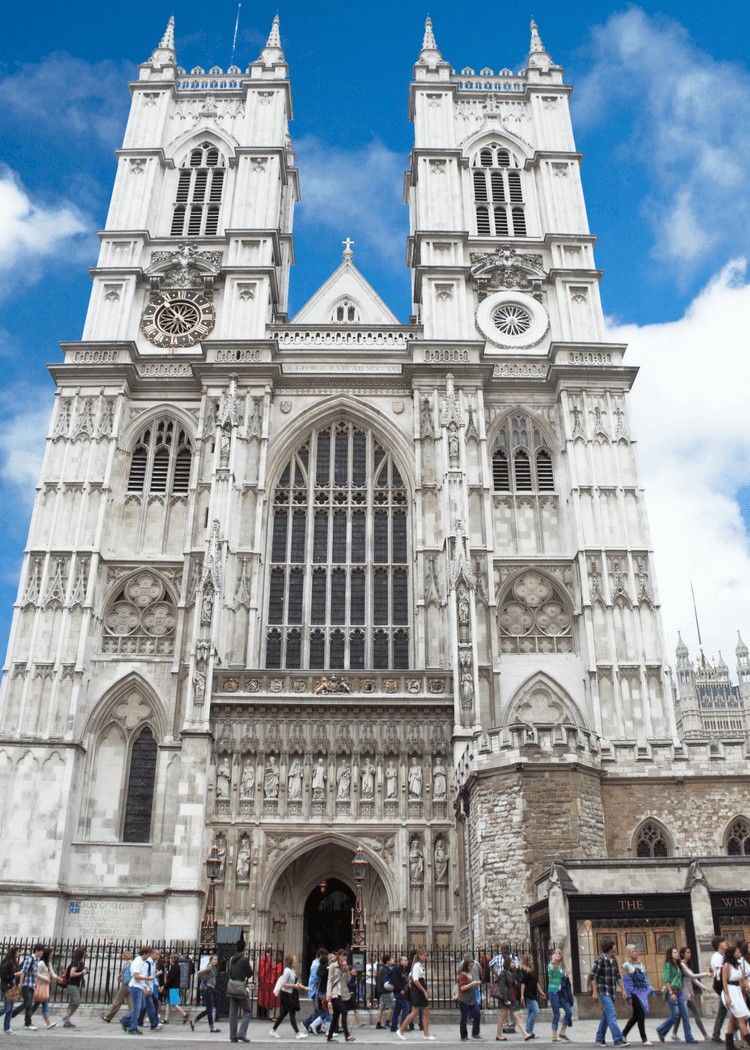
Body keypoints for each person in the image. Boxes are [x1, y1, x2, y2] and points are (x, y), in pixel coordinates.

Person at [590, 937, 626, 1047]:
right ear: (609, 948)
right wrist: (595, 992)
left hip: (612, 991)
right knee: (611, 1013)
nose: (615, 947)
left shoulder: (614, 960)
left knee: (606, 1015)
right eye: (614, 945)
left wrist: (624, 989)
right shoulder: (600, 960)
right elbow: (593, 976)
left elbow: (618, 976)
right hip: (603, 991)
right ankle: (618, 1039)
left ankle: (600, 1037)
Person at [656, 947, 696, 1045]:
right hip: (673, 992)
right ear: (670, 954)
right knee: (675, 1014)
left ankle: (689, 1038)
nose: (677, 953)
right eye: (674, 952)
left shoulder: (679, 966)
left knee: (685, 1015)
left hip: (680, 992)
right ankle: (661, 1029)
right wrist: (671, 993)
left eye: (677, 952)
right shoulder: (668, 965)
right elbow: (667, 980)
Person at [670, 947, 709, 1040]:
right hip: (683, 994)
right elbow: (692, 976)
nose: (690, 954)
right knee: (694, 1013)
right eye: (687, 953)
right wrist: (705, 974)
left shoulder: (686, 965)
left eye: (690, 952)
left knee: (680, 1014)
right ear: (683, 954)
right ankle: (705, 1035)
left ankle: (674, 1034)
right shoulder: (682, 966)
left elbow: (693, 980)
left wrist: (704, 987)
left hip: (688, 993)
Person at [397, 947, 435, 1040]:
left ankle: (426, 1034)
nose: (426, 957)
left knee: (425, 1011)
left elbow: (411, 976)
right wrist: (424, 991)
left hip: (419, 989)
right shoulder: (416, 966)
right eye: (425, 955)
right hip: (417, 991)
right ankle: (401, 1030)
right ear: (420, 956)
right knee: (415, 1012)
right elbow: (416, 980)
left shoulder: (419, 965)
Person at [621, 943, 654, 1046]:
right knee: (640, 1013)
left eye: (635, 951)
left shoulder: (640, 964)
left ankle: (623, 1034)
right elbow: (627, 982)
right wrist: (629, 995)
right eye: (632, 951)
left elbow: (645, 978)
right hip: (634, 992)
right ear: (628, 953)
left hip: (642, 991)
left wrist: (649, 989)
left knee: (636, 1015)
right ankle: (644, 1038)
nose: (635, 953)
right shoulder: (626, 965)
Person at [270, 954, 309, 1038]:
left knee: (284, 1013)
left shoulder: (292, 971)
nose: (295, 961)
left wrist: (305, 988)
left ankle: (273, 1030)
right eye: (294, 960)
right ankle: (297, 1033)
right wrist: (294, 986)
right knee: (292, 1012)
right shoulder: (287, 971)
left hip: (289, 993)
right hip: (286, 994)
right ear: (290, 961)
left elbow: (296, 983)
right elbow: (283, 984)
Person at [720, 943, 750, 1050]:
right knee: (741, 1018)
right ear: (732, 954)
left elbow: (743, 980)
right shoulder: (726, 966)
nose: (739, 953)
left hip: (737, 991)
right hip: (730, 991)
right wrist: (728, 997)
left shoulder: (738, 965)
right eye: (737, 952)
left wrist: (748, 989)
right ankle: (748, 1039)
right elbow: (724, 982)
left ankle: (729, 1044)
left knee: (733, 1018)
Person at [121, 946, 154, 1035]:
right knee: (137, 1008)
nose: (149, 957)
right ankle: (133, 1027)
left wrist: (147, 985)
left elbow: (142, 974)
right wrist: (148, 978)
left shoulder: (142, 962)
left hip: (139, 986)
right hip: (135, 987)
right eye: (149, 955)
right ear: (145, 953)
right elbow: (136, 976)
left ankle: (125, 1019)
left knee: (142, 1006)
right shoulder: (137, 962)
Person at [495, 957, 529, 1042]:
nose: (514, 964)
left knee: (517, 1015)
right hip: (506, 997)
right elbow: (502, 987)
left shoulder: (513, 972)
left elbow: (520, 979)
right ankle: (498, 1035)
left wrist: (518, 970)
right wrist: (505, 999)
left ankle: (525, 1034)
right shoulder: (503, 973)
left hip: (512, 997)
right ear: (508, 964)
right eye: (512, 963)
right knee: (502, 1016)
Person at [227, 942, 254, 1044]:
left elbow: (230, 972)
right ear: (244, 948)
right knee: (247, 1011)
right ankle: (241, 1033)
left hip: (232, 987)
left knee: (233, 1012)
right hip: (241, 987)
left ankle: (233, 1036)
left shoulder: (231, 959)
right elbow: (250, 974)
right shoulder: (244, 959)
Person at [326, 948, 354, 1043]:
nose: (344, 959)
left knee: (335, 1016)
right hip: (335, 993)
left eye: (345, 957)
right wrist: (328, 994)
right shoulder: (333, 966)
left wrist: (346, 970)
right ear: (339, 956)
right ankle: (347, 1035)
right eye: (343, 956)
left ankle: (329, 1036)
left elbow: (348, 979)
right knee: (344, 1011)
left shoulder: (344, 967)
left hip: (342, 993)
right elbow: (329, 980)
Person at [190, 953, 220, 1033]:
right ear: (211, 960)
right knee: (209, 1010)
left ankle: (194, 1021)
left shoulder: (213, 968)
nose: (215, 961)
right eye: (214, 959)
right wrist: (205, 980)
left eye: (216, 959)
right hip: (207, 989)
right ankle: (211, 1027)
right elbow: (199, 973)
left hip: (211, 989)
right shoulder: (209, 967)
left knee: (208, 1010)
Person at [17, 942, 44, 1031]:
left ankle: (28, 1023)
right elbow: (23, 971)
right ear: (36, 950)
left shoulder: (36, 960)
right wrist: (20, 983)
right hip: (26, 985)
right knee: (27, 1003)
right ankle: (12, 1014)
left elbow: (34, 973)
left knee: (29, 1004)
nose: (42, 953)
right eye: (41, 951)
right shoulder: (30, 959)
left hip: (32, 985)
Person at [547, 948, 573, 1042]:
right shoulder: (551, 965)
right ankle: (554, 1036)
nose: (558, 954)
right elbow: (551, 970)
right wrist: (553, 960)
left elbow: (562, 978)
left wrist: (565, 975)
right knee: (557, 1014)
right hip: (553, 991)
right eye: (556, 953)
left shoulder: (562, 967)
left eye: (559, 953)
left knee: (569, 1012)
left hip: (561, 993)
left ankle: (562, 1032)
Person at [31, 948, 60, 1029]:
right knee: (43, 1002)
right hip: (40, 985)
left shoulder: (48, 963)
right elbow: (36, 973)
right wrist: (45, 978)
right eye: (51, 953)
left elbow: (53, 973)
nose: (52, 954)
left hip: (45, 985)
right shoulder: (41, 963)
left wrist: (59, 978)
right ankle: (48, 1022)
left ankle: (28, 1019)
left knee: (37, 1004)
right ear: (48, 954)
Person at [102, 950, 133, 1023]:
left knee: (117, 1001)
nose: (122, 956)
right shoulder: (131, 963)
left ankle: (108, 1016)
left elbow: (127, 975)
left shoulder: (128, 964)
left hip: (126, 984)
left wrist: (122, 978)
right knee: (131, 1002)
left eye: (123, 955)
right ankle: (131, 1017)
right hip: (131, 984)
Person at [303, 948, 329, 1035]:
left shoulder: (316, 963)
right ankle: (311, 1026)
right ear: (321, 955)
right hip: (315, 991)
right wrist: (318, 990)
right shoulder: (316, 965)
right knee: (318, 1010)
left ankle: (308, 1023)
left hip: (315, 990)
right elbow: (315, 980)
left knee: (318, 1009)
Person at [520, 954, 545, 1040]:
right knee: (536, 1010)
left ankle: (529, 1030)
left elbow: (536, 983)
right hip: (529, 994)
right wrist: (522, 995)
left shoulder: (532, 971)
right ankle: (528, 1030)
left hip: (533, 994)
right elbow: (523, 984)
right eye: (530, 960)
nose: (531, 962)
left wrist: (541, 992)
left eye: (531, 960)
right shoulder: (526, 971)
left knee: (531, 1012)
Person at [457, 957, 482, 1041]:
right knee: (464, 1017)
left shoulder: (470, 974)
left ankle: (475, 1032)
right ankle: (463, 1035)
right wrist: (472, 984)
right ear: (466, 966)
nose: (472, 968)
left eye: (472, 966)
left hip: (472, 998)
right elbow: (462, 988)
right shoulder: (463, 974)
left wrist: (476, 983)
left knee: (477, 1013)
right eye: (470, 966)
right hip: (464, 999)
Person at [64, 946, 89, 1028]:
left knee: (72, 1002)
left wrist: (84, 971)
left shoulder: (80, 962)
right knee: (76, 1001)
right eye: (85, 952)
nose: (86, 953)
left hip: (76, 984)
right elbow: (72, 974)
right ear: (81, 953)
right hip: (71, 984)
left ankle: (67, 1020)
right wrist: (82, 973)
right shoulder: (75, 962)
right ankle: (67, 1017)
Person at [709, 937, 728, 1044]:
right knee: (727, 1009)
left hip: (722, 986)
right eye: (722, 942)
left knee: (723, 1010)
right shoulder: (717, 957)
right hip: (721, 986)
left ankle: (716, 1034)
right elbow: (719, 972)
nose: (725, 943)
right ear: (718, 945)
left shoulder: (722, 956)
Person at [164, 952, 191, 1024]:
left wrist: (165, 985)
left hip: (173, 987)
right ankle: (166, 1019)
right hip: (172, 987)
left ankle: (184, 1014)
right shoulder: (173, 966)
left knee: (173, 1003)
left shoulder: (175, 967)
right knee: (167, 1002)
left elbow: (171, 978)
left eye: (170, 958)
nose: (169, 960)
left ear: (173, 959)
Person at [0, 946, 22, 1035]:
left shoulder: (14, 963)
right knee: (7, 1007)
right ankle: (6, 1027)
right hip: (7, 987)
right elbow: (4, 976)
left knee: (10, 1008)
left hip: (12, 987)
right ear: (14, 953)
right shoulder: (7, 963)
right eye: (18, 951)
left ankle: (7, 1027)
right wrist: (15, 974)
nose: (19, 953)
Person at [389, 956, 411, 1035]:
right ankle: (403, 1025)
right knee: (406, 1007)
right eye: (405, 960)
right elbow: (395, 980)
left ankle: (394, 1026)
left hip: (402, 992)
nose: (407, 961)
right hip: (399, 992)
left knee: (397, 1009)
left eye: (407, 960)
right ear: (401, 961)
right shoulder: (397, 969)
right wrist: (399, 989)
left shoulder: (404, 970)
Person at [376, 953, 395, 1031]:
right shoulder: (385, 970)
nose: (392, 961)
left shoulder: (383, 969)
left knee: (381, 1007)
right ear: (387, 961)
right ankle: (387, 1021)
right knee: (392, 1005)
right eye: (390, 959)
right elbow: (385, 981)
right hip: (385, 991)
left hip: (381, 990)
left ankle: (378, 1023)